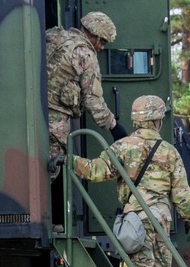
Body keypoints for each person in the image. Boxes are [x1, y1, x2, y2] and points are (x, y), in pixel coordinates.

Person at [66, 95, 190, 267]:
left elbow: (95, 171)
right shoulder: (170, 152)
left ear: (137, 119)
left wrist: (66, 159)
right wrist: (189, 220)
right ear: (158, 119)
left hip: (137, 219)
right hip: (162, 219)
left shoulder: (124, 147)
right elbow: (182, 195)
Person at [45, 11, 128, 177]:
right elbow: (92, 100)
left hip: (30, 112)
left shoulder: (54, 36)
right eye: (102, 41)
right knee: (47, 173)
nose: (102, 47)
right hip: (54, 122)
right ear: (92, 33)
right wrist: (114, 127)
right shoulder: (85, 54)